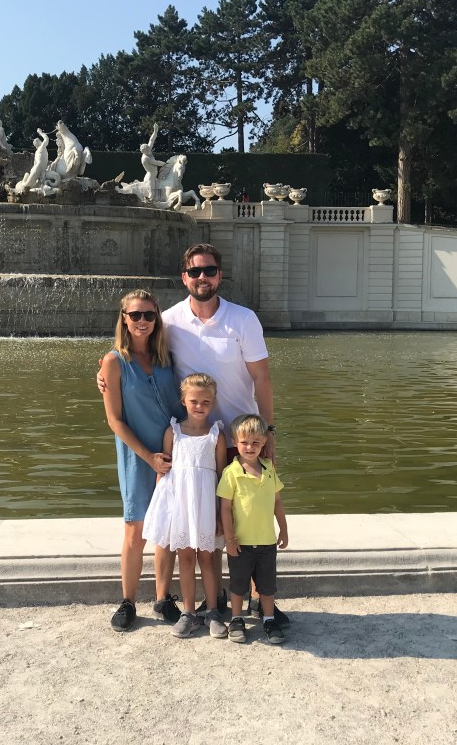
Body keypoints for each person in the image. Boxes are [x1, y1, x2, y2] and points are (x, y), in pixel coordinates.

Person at [98, 243, 286, 626]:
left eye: (210, 270)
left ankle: (256, 599)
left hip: (238, 440)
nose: (203, 277)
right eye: (196, 271)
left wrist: (267, 432)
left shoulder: (243, 319)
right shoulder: (169, 321)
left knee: (246, 520)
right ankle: (196, 599)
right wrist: (104, 374)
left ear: (219, 275)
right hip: (188, 442)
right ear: (184, 277)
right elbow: (131, 349)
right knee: (191, 522)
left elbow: (262, 378)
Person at [101, 290, 184, 632]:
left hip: (172, 453)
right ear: (124, 318)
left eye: (149, 315)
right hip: (137, 455)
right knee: (135, 529)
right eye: (135, 315)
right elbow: (114, 420)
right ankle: (128, 601)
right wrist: (148, 457)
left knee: (166, 529)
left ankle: (163, 598)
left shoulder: (166, 358)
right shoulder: (113, 362)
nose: (142, 321)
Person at [143, 373, 228, 638]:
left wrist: (220, 514)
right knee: (186, 558)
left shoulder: (216, 435)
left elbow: (221, 476)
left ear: (213, 403)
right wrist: (163, 511)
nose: (199, 406)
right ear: (183, 401)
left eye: (205, 401)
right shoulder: (174, 432)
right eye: (194, 401)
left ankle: (212, 611)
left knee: (208, 558)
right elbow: (165, 474)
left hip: (206, 504)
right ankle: (188, 612)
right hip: (180, 505)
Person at [219, 414, 288, 645]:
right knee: (238, 585)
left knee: (267, 586)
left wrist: (283, 529)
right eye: (244, 442)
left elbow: (277, 501)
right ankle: (237, 619)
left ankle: (268, 619)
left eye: (255, 442)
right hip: (241, 542)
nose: (250, 447)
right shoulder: (231, 472)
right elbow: (225, 508)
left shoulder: (269, 468)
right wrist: (230, 539)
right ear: (234, 442)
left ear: (264, 443)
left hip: (267, 540)